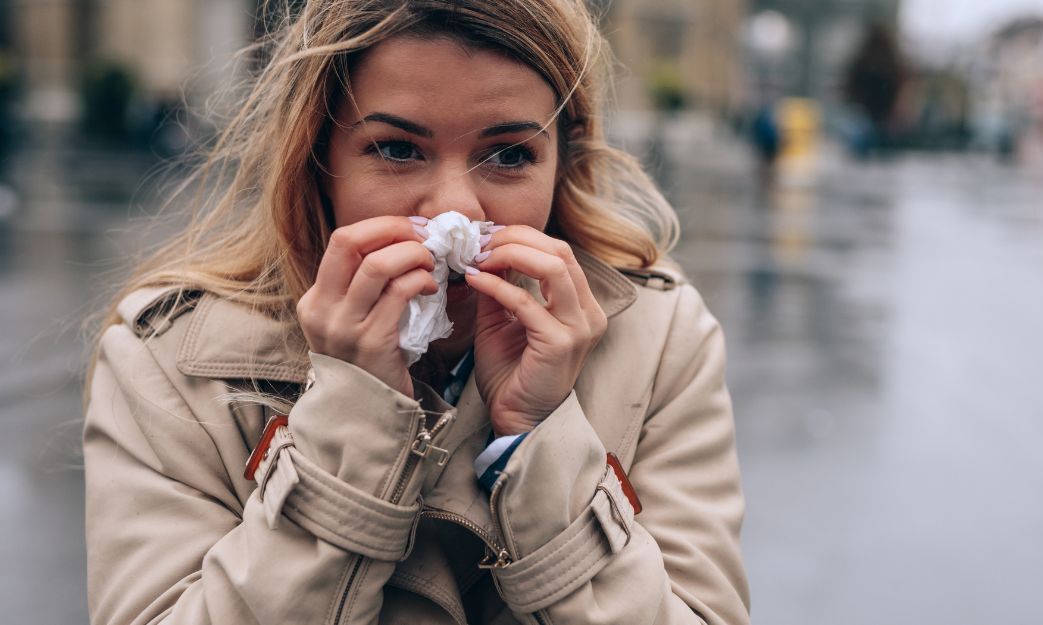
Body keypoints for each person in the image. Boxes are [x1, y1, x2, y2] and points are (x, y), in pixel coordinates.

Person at [82, 2, 750, 624]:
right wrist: (354, 416)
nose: (455, 209)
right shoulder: (170, 360)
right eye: (398, 149)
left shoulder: (661, 341)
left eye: (510, 154)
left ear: (560, 161)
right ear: (318, 158)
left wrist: (539, 441)